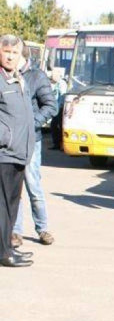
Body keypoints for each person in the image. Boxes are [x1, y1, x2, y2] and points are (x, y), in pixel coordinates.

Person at [12, 50, 57, 248]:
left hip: (31, 140)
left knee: (33, 185)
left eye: (13, 53)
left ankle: (42, 228)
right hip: (9, 142)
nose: (9, 57)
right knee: (13, 187)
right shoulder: (5, 76)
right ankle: (15, 232)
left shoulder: (36, 76)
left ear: (22, 55)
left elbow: (51, 106)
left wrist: (30, 125)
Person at [0, 35, 36, 267]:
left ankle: (7, 246)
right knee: (2, 207)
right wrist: (6, 137)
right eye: (6, 52)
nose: (10, 57)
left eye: (15, 53)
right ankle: (3, 253)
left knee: (12, 205)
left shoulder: (18, 79)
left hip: (19, 153)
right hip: (4, 153)